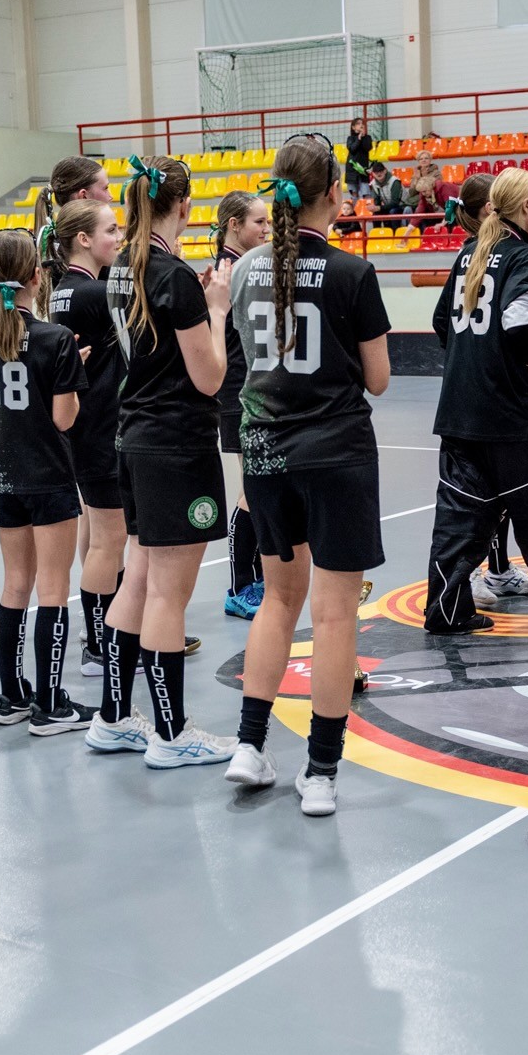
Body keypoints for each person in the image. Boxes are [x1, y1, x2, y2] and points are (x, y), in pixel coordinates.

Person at [222, 135, 392, 815]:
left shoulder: (245, 270)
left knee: (276, 600)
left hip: (265, 451)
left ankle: (248, 745)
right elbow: (378, 379)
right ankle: (320, 773)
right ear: (335, 195)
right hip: (336, 453)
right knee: (334, 615)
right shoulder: (353, 272)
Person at [91, 156, 239, 769]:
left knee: (139, 578)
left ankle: (112, 717)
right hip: (176, 445)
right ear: (184, 206)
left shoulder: (122, 268)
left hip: (134, 437)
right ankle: (172, 732)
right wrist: (218, 310)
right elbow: (210, 379)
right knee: (167, 595)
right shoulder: (174, 277)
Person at [424, 168, 528, 633]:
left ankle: (446, 610)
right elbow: (516, 319)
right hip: (506, 412)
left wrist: (472, 360)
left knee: (459, 514)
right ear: (525, 207)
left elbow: (441, 322)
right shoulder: (518, 254)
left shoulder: (470, 251)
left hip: (458, 408)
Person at [0, 228, 90, 734]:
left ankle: (11, 698)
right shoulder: (54, 339)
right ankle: (51, 703)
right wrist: (72, 376)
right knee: (54, 588)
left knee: (15, 583)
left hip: (3, 480)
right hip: (48, 477)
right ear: (37, 276)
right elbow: (64, 418)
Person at [36, 157, 125, 679]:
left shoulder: (66, 288)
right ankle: (99, 645)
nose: (118, 237)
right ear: (84, 239)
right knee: (109, 540)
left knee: (103, 536)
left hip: (87, 427)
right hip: (101, 429)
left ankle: (104, 638)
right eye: (110, 230)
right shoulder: (97, 293)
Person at [212, 190, 270, 619]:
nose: (266, 230)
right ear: (234, 225)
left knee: (261, 488)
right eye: (258, 222)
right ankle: (239, 586)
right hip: (236, 392)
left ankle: (258, 578)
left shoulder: (248, 267)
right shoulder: (226, 273)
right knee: (250, 491)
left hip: (255, 390)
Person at [344, 116, 374, 190]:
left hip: (363, 168)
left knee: (365, 192)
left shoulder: (368, 137)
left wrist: (363, 137)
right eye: (358, 123)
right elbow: (352, 149)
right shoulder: (350, 138)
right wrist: (358, 139)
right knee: (353, 193)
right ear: (353, 127)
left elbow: (368, 148)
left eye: (362, 123)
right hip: (352, 169)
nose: (361, 125)